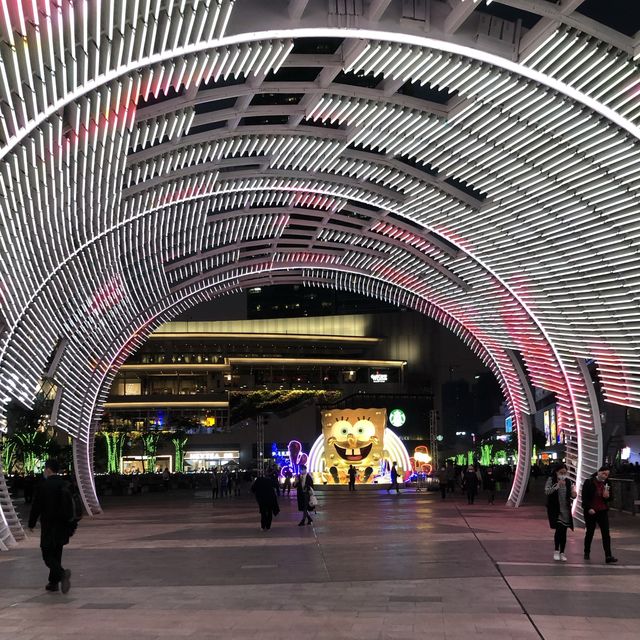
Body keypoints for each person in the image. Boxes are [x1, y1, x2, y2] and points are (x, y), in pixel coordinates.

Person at [28, 460, 73, 593]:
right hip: (63, 525)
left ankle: (61, 573)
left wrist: (31, 523)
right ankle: (53, 583)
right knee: (57, 553)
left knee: (47, 553)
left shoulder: (44, 485)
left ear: (48, 469)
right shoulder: (65, 484)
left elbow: (36, 506)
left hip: (48, 524)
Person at [582, 465, 617, 563]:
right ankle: (587, 551)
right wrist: (589, 508)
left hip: (602, 510)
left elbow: (610, 498)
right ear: (598, 472)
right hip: (591, 511)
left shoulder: (607, 483)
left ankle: (608, 556)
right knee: (590, 532)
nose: (605, 476)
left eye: (606, 474)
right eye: (603, 473)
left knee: (606, 533)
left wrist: (607, 496)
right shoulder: (589, 482)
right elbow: (584, 498)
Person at [545, 463, 576, 561]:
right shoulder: (552, 480)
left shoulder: (568, 482)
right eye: (561, 472)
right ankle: (556, 550)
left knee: (564, 532)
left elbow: (572, 495)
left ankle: (562, 552)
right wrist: (556, 486)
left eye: (564, 473)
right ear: (556, 472)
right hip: (556, 510)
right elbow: (547, 491)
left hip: (566, 510)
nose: (563, 474)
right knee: (559, 530)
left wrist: (574, 494)